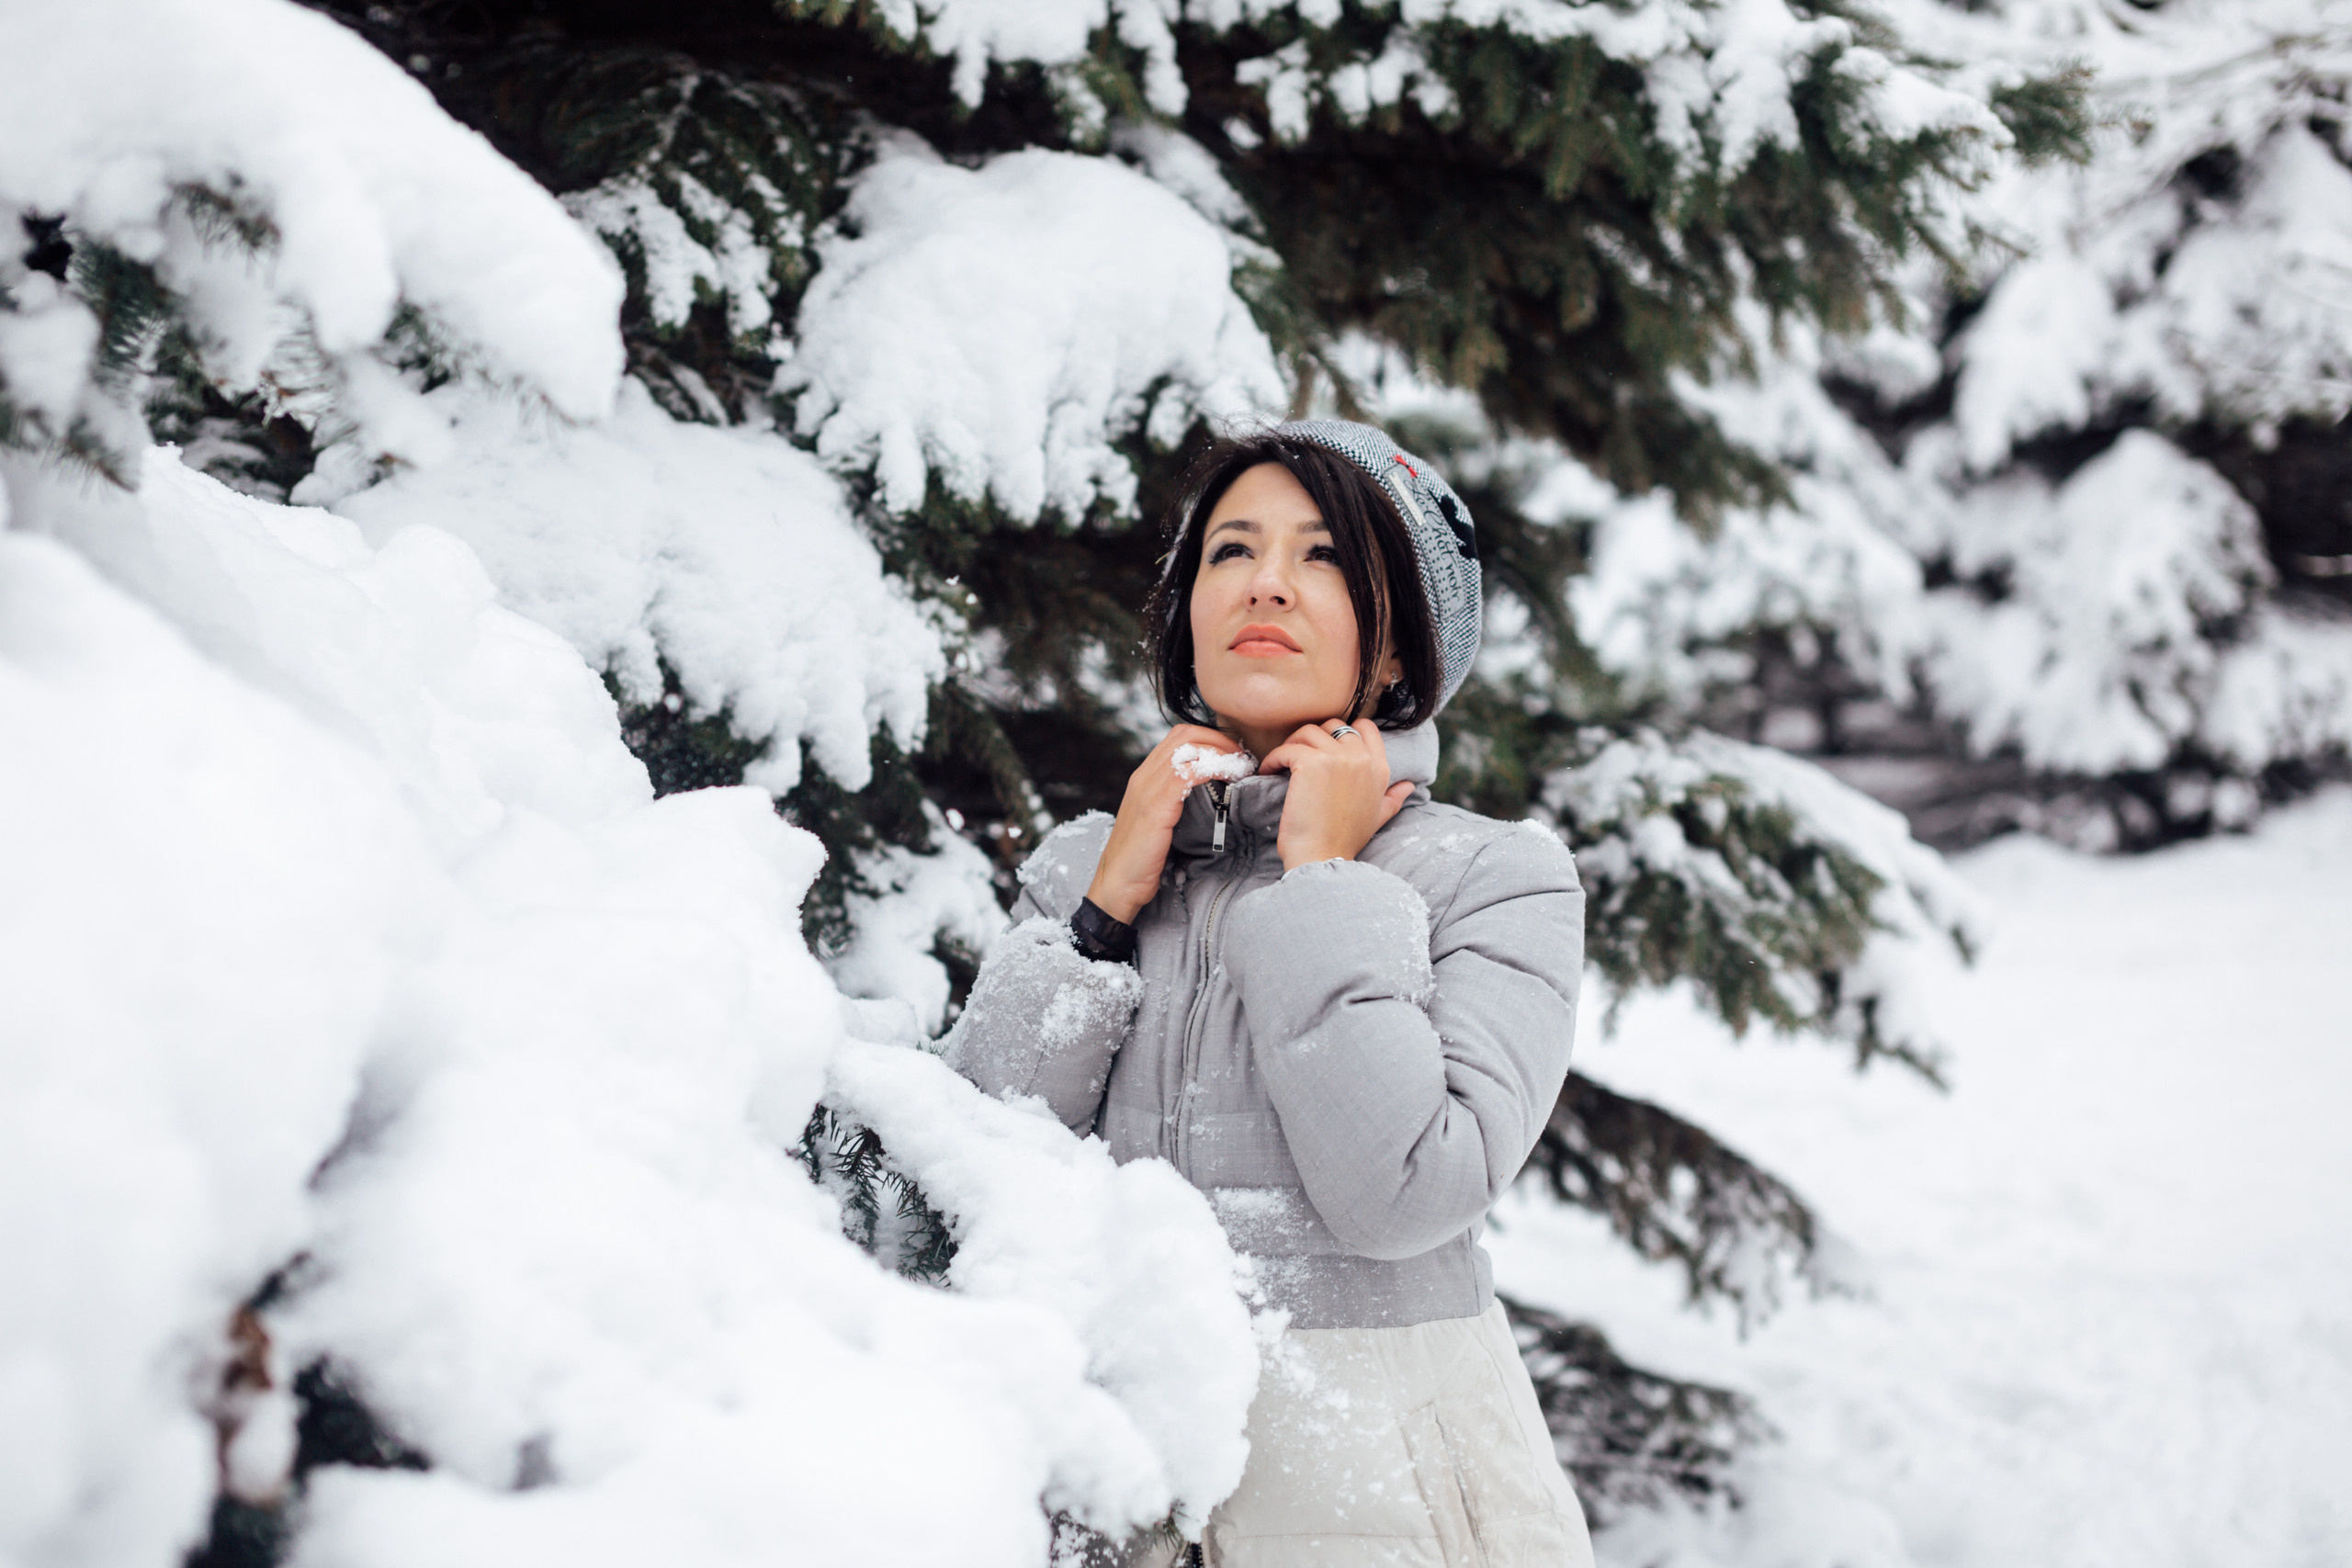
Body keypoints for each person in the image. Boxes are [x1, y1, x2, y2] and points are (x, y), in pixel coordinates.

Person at [943, 420, 1594, 1567]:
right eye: (1230, 550)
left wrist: (1322, 880)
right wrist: (1102, 913)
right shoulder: (1082, 869)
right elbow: (976, 1179)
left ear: (1401, 651)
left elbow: (1409, 1191)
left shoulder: (1495, 878)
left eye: (1327, 557)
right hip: (1114, 1487)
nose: (1269, 584)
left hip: (1380, 1494)